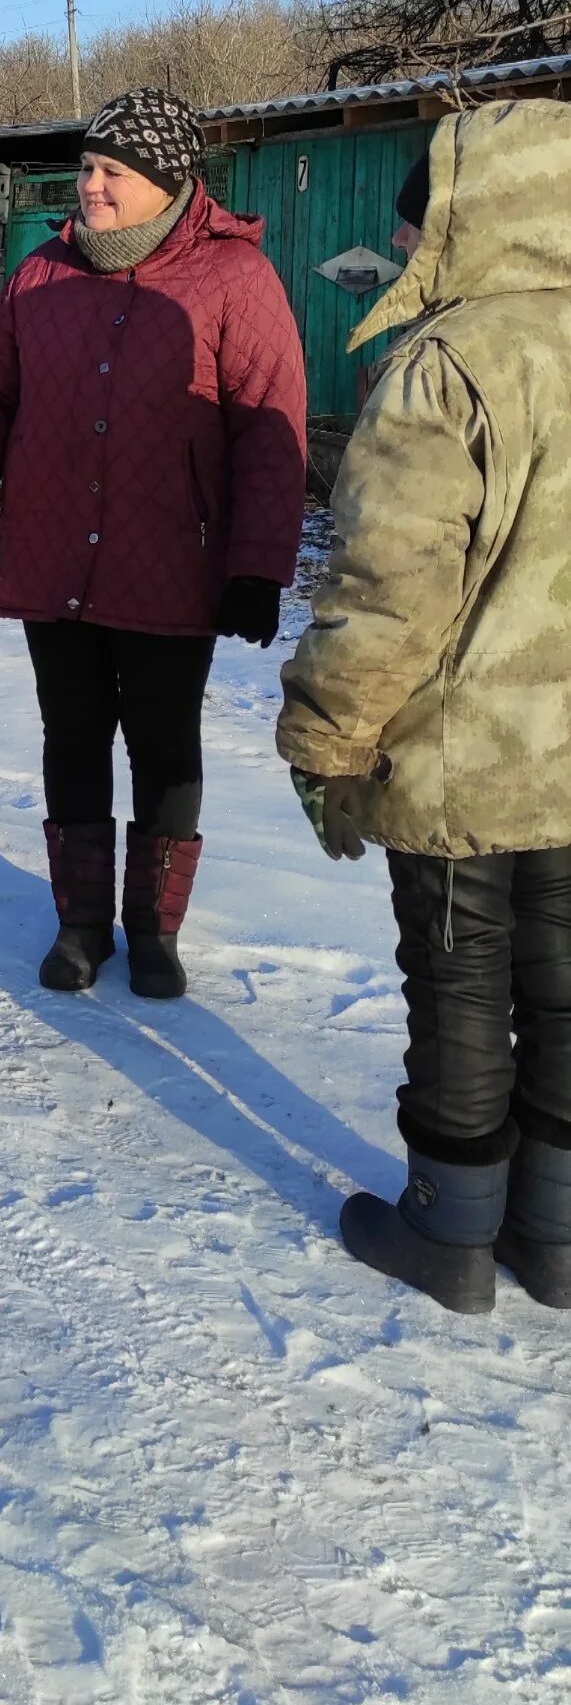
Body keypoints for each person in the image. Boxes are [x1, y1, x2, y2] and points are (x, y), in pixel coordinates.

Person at [278, 102, 571, 1316]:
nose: (404, 252)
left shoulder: (448, 362)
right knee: (562, 984)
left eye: (415, 229)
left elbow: (388, 585)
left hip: (460, 759)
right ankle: (555, 1238)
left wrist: (325, 739)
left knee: (458, 987)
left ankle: (450, 1235)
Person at [0, 87, 307, 997]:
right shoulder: (39, 275)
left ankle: (151, 929)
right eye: (87, 168)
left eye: (111, 172)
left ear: (166, 180)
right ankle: (79, 926)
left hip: (171, 559)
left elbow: (269, 427)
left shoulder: (232, 280)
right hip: (53, 548)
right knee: (71, 737)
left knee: (163, 744)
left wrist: (257, 566)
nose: (89, 187)